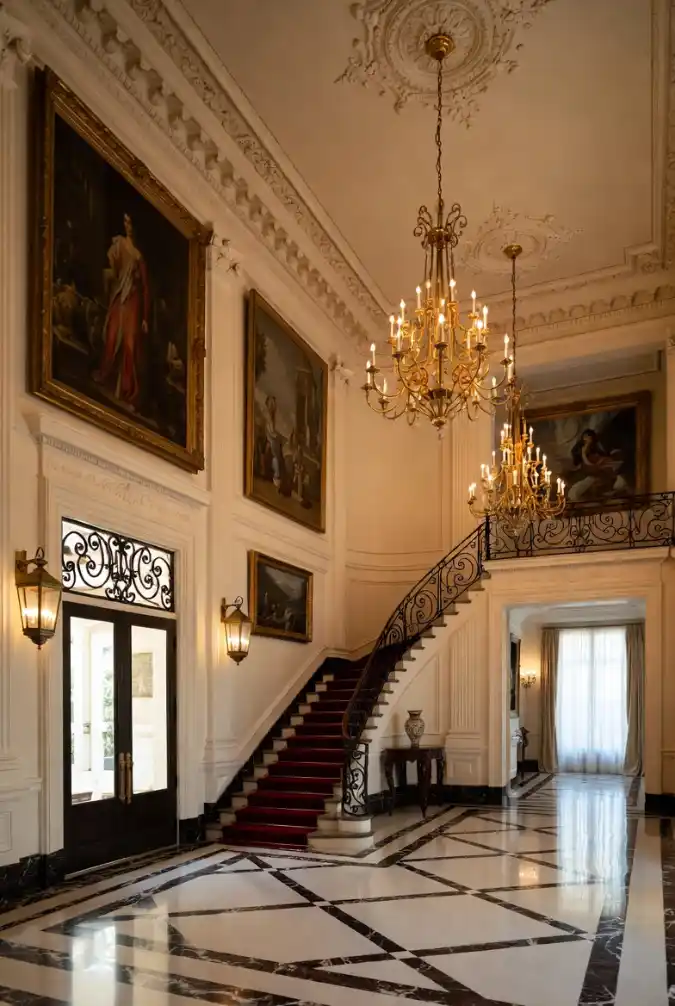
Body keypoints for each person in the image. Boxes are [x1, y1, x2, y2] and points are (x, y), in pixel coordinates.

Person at [94, 213, 149, 408]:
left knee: (129, 344)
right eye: (125, 221)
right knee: (111, 335)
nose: (128, 226)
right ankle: (105, 374)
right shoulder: (118, 245)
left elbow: (145, 288)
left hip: (133, 301)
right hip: (120, 296)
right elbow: (111, 270)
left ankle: (126, 389)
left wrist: (145, 318)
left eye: (131, 222)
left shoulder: (139, 256)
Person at [567, 428, 629, 502]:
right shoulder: (580, 449)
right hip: (589, 467)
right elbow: (585, 462)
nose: (588, 439)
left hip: (597, 465)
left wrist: (601, 461)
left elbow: (602, 455)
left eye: (589, 437)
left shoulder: (596, 447)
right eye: (586, 437)